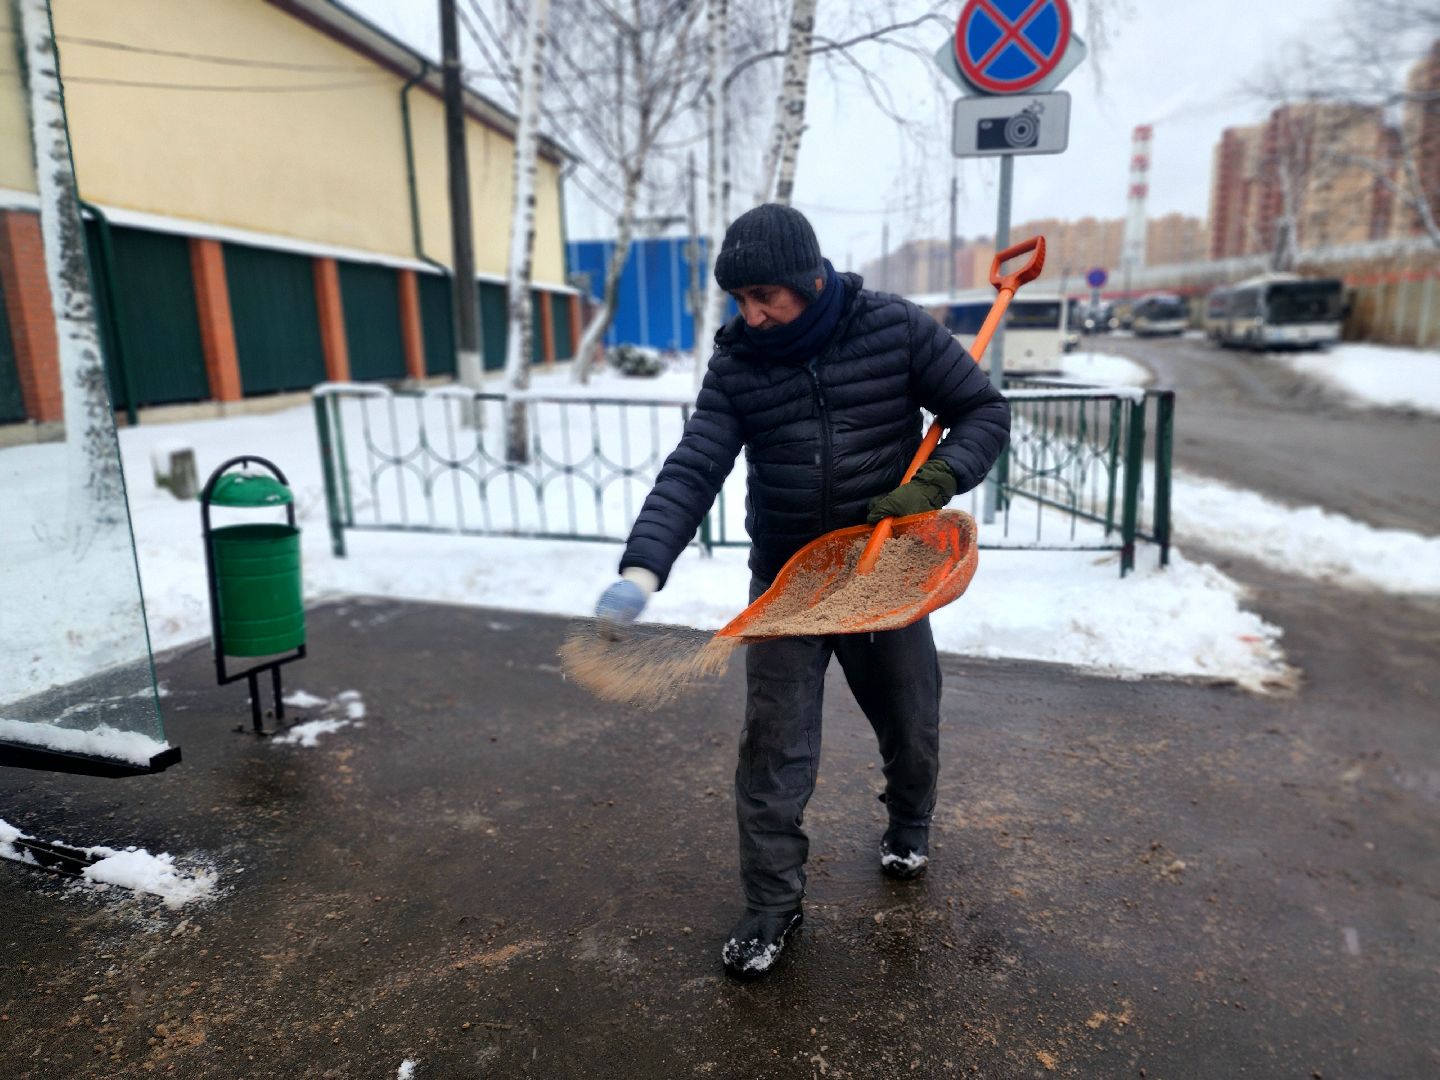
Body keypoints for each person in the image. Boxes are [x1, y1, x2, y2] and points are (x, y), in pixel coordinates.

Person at [593, 204, 1010, 979]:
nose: (752, 316)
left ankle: (909, 822)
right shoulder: (739, 366)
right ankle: (770, 908)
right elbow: (695, 466)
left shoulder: (895, 329)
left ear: (810, 280)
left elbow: (981, 410)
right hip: (791, 583)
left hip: (883, 574)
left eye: (767, 298)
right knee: (773, 751)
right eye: (740, 301)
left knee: (912, 720)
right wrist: (642, 566)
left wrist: (940, 480)